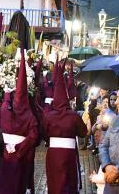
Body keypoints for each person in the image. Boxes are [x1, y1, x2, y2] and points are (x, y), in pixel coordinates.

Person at [42, 61, 88, 194]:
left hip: (53, 153)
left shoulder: (48, 116)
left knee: (54, 182)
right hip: (69, 154)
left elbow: (44, 134)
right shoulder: (73, 116)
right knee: (69, 181)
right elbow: (83, 132)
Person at [0, 50, 39, 194]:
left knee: (6, 183)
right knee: (19, 184)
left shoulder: (4, 108)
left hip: (5, 152)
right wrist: (20, 148)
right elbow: (33, 135)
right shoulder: (29, 115)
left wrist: (8, 146)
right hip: (21, 155)